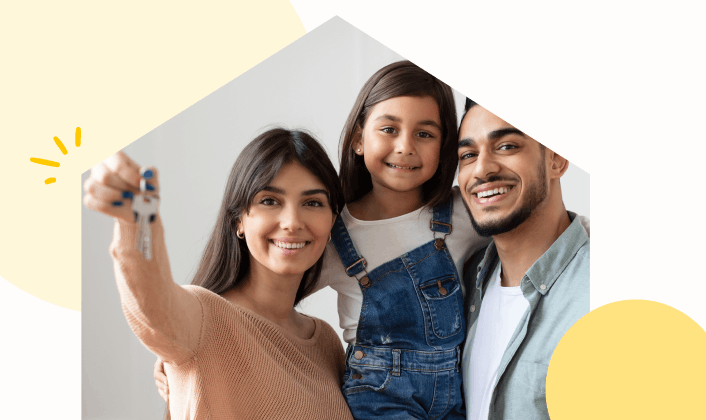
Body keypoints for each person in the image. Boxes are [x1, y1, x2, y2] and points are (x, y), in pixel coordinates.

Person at [84, 128, 354, 420]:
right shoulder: (204, 319)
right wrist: (136, 222)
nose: (291, 222)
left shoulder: (325, 342)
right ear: (239, 220)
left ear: (332, 221)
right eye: (269, 201)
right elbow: (153, 308)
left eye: (312, 203)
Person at [316, 60, 488, 419]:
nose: (405, 146)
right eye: (389, 129)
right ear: (358, 140)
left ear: (444, 149)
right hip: (377, 400)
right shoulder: (332, 235)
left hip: (454, 400)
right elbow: (262, 301)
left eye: (424, 134)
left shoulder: (463, 214)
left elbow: (544, 227)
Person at [456, 99, 590, 420]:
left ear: (557, 158)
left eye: (506, 146)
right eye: (468, 155)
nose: (482, 169)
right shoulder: (464, 277)